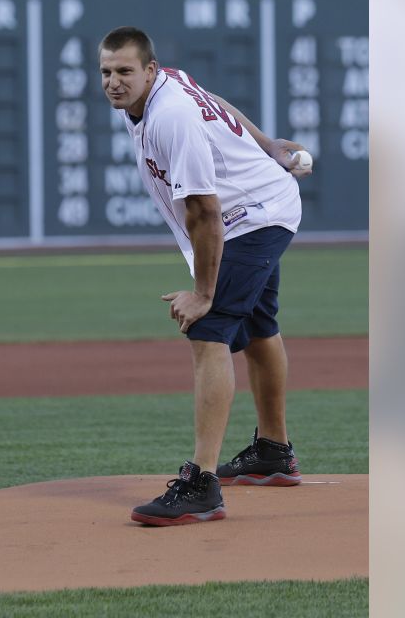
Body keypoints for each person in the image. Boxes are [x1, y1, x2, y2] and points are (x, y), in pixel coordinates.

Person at [98, 26, 312, 527]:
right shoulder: (166, 86)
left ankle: (202, 485)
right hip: (262, 204)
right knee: (258, 327)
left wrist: (203, 294)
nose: (113, 81)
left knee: (208, 329)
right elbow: (215, 100)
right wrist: (269, 145)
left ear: (149, 70)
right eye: (106, 71)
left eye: (125, 71)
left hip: (251, 217)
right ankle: (273, 453)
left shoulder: (170, 117)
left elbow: (204, 214)